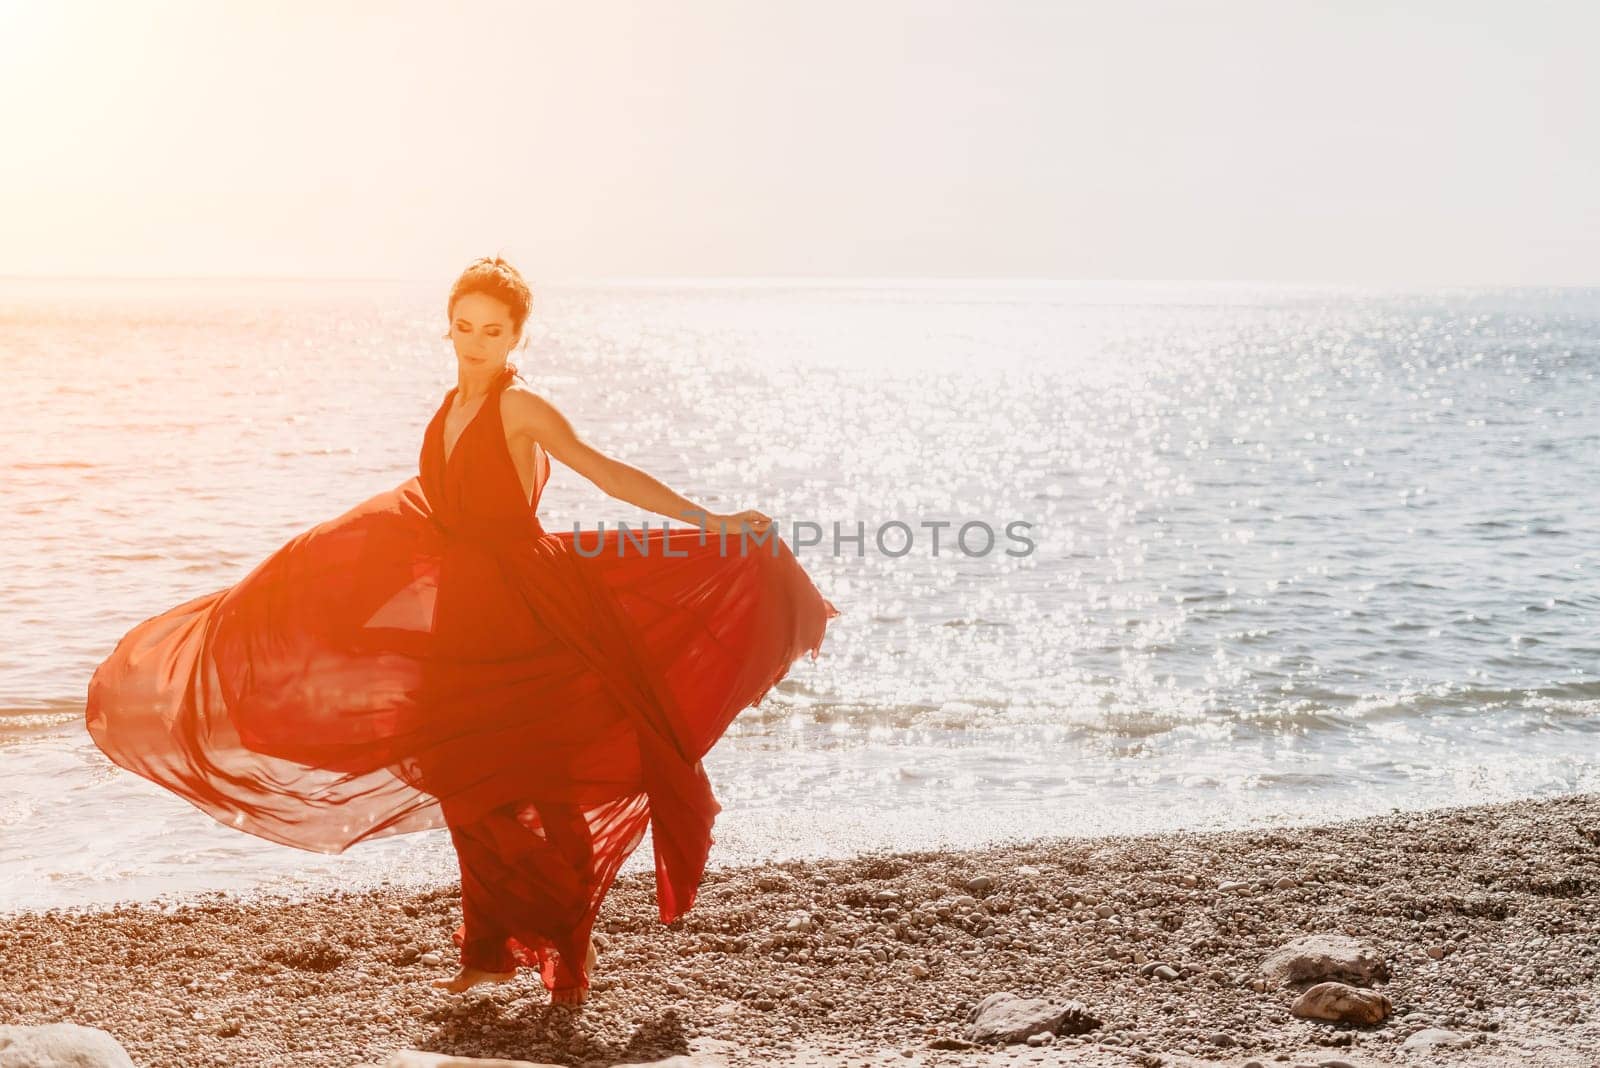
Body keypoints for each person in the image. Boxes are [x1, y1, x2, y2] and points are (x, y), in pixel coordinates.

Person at [85, 255, 839, 1006]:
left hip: (528, 611)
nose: (475, 343)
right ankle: (489, 952)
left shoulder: (522, 409)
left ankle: (567, 953)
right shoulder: (447, 405)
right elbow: (435, 509)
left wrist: (712, 521)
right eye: (464, 327)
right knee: (464, 785)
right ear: (447, 328)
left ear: (517, 337)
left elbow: (608, 474)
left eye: (492, 331)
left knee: (543, 784)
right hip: (462, 620)